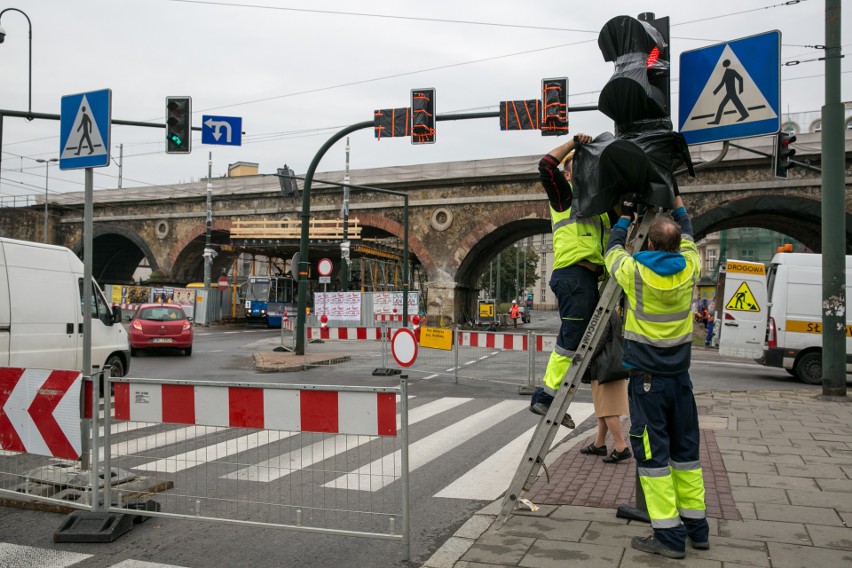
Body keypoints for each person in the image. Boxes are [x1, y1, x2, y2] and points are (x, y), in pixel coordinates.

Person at [604, 194, 709, 559]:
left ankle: (667, 536)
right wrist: (680, 206)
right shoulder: (691, 268)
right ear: (677, 245)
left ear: (649, 243)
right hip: (681, 380)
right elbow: (692, 237)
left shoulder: (634, 271)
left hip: (647, 382)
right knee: (686, 455)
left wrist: (626, 216)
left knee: (653, 460)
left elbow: (612, 250)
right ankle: (697, 527)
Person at [528, 133, 619, 429]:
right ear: (567, 174)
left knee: (583, 338)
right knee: (571, 339)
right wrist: (572, 145)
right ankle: (546, 394)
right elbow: (545, 166)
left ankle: (557, 390)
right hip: (574, 276)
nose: (579, 170)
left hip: (588, 279)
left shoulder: (599, 205)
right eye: (573, 167)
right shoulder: (565, 196)